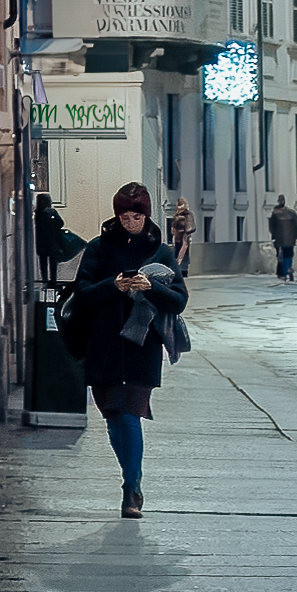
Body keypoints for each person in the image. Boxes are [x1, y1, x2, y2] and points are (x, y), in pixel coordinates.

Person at [74, 182, 187, 519]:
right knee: (112, 416)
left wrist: (151, 287)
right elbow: (81, 294)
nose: (130, 221)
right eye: (124, 215)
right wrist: (114, 286)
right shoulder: (98, 248)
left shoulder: (161, 253)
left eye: (136, 215)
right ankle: (130, 479)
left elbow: (180, 301)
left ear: (146, 214)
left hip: (142, 347)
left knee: (129, 414)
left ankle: (131, 488)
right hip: (104, 346)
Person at [268, 194, 297, 281]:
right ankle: (288, 269)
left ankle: (284, 272)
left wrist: (274, 237)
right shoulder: (291, 213)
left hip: (280, 239)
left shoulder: (275, 214)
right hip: (291, 239)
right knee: (289, 255)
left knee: (282, 255)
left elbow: (272, 227)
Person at [34, 192, 67, 283]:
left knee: (43, 262)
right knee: (53, 263)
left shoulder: (37, 214)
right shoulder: (51, 212)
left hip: (41, 242)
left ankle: (44, 279)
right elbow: (60, 223)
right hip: (52, 241)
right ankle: (53, 280)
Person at [169, 196, 195, 276]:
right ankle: (177, 267)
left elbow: (192, 227)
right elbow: (173, 224)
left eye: (181, 205)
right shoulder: (176, 215)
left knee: (183, 252)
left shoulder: (188, 214)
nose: (180, 207)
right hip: (177, 237)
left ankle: (182, 269)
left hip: (184, 237)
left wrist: (186, 232)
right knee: (176, 250)